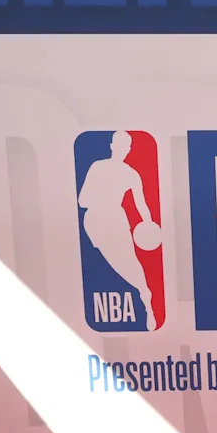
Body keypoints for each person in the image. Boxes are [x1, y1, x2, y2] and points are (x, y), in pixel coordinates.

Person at [78, 131, 158, 331]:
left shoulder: (131, 174)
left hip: (117, 220)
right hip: (95, 221)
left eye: (126, 146)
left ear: (129, 150)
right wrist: (102, 198)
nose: (123, 149)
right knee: (118, 264)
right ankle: (144, 293)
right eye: (120, 145)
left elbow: (142, 204)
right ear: (112, 146)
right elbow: (82, 200)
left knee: (130, 262)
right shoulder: (97, 167)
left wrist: (148, 224)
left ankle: (147, 300)